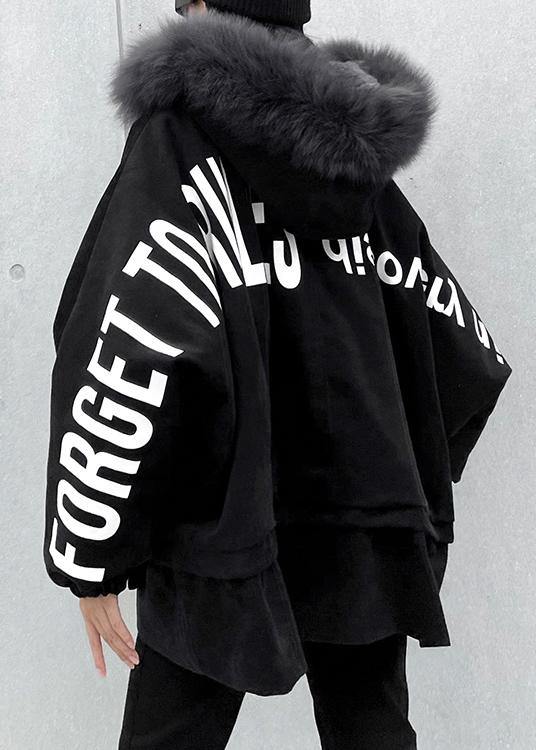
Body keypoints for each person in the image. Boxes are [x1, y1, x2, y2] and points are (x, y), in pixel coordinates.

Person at [42, 1, 512, 748]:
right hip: (366, 517)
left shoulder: (178, 143)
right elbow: (458, 344)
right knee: (372, 730)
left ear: (201, 7)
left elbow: (125, 335)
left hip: (218, 525)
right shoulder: (356, 151)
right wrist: (407, 483)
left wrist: (91, 550)